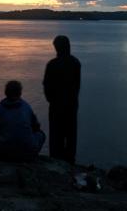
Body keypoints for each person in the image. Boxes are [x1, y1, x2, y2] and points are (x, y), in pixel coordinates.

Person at [43, 35, 81, 164]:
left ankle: (55, 160)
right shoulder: (76, 63)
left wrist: (50, 99)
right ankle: (70, 160)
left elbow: (46, 85)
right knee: (71, 134)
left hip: (56, 105)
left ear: (57, 48)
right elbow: (77, 85)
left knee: (55, 134)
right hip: (71, 104)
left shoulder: (52, 64)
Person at [0, 80, 46, 162]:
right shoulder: (26, 107)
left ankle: (1, 156)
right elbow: (36, 127)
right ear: (20, 93)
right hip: (27, 153)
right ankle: (30, 154)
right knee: (41, 134)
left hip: (5, 153)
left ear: (6, 92)